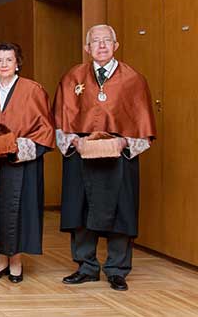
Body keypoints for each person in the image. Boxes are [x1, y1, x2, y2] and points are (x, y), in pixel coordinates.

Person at [54, 24, 156, 291]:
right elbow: (61, 120)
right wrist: (74, 141)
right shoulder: (72, 77)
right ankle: (85, 266)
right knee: (81, 208)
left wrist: (125, 141)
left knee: (121, 210)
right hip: (82, 152)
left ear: (116, 45)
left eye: (106, 41)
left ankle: (117, 269)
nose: (101, 46)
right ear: (87, 48)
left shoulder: (133, 79)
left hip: (119, 155)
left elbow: (143, 123)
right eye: (95, 41)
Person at [0, 42, 55, 283]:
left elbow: (45, 128)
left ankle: (16, 261)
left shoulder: (33, 90)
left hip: (22, 164)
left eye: (9, 60)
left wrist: (17, 148)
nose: (4, 64)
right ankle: (1, 260)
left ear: (18, 63)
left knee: (19, 212)